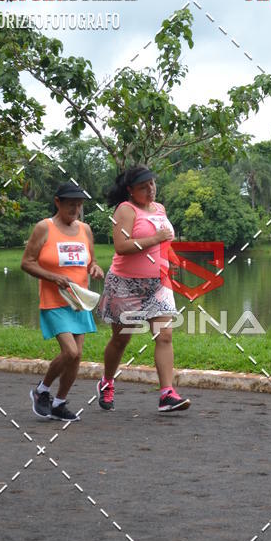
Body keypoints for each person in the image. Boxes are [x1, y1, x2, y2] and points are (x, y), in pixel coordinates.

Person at [96, 165, 190, 413]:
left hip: (158, 283)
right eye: (143, 187)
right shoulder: (125, 210)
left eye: (152, 184)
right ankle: (107, 382)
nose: (150, 190)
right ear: (130, 191)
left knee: (165, 335)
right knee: (121, 339)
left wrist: (172, 259)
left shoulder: (160, 209)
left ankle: (166, 394)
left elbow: (164, 242)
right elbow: (121, 246)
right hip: (126, 284)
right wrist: (155, 239)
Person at [21, 183, 104, 421]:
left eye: (79, 205)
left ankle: (58, 403)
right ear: (58, 202)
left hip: (79, 301)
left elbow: (91, 261)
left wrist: (95, 268)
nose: (76, 209)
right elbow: (27, 262)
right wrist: (53, 277)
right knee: (69, 351)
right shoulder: (43, 228)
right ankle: (41, 390)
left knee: (77, 356)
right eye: (71, 205)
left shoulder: (85, 230)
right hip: (54, 300)